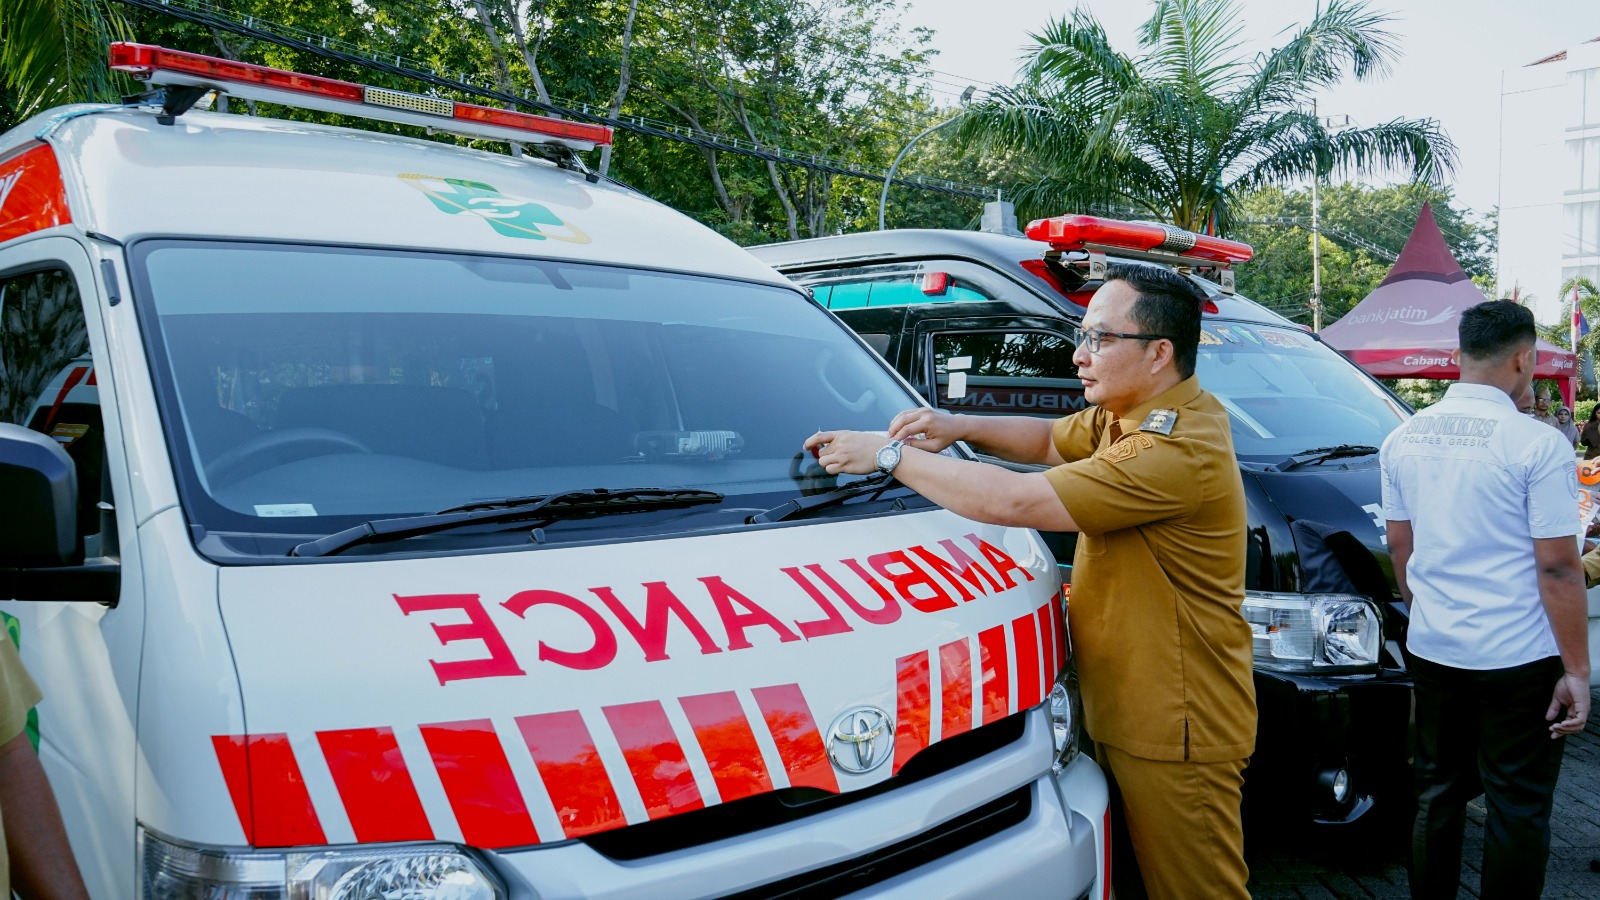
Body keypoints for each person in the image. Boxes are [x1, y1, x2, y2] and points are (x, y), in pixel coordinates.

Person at [804, 263, 1253, 900]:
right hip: (1130, 704)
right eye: (1083, 334)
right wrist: (958, 425)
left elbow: (1016, 503)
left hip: (1174, 721)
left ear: (1159, 353)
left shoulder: (1175, 447)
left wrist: (890, 456)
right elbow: (1048, 440)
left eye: (1100, 338)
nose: (1080, 354)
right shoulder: (1131, 414)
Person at [1380, 300, 1589, 900]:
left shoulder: (1401, 437)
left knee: (1436, 793)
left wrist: (1428, 616)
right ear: (1524, 359)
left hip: (1435, 645)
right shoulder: (1538, 445)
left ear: (1458, 357)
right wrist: (1576, 669)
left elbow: (1401, 546)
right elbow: (1557, 564)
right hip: (1517, 656)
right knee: (1517, 804)